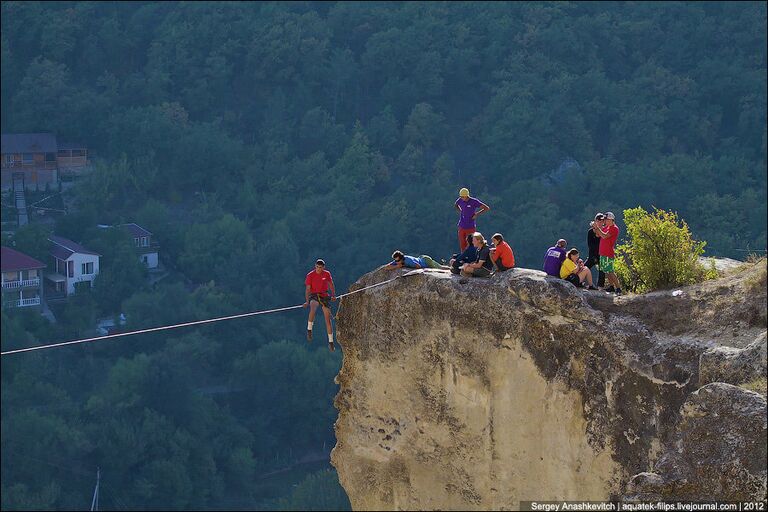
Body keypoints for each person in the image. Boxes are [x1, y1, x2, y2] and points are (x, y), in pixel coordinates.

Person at [304, 259, 337, 351]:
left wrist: (333, 295)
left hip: (324, 295)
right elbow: (307, 289)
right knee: (313, 308)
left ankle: (331, 342)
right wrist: (307, 301)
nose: (319, 269)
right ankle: (309, 329)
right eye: (317, 267)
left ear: (323, 267)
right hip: (314, 295)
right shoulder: (310, 275)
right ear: (315, 266)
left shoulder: (326, 274)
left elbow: (331, 284)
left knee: (328, 319)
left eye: (320, 267)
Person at [595, 211, 623, 295]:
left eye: (606, 219)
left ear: (611, 219)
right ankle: (611, 287)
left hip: (608, 252)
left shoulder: (614, 228)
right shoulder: (606, 227)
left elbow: (604, 236)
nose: (604, 221)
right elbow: (598, 235)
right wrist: (596, 227)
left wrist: (598, 228)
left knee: (610, 271)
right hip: (603, 252)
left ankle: (618, 288)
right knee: (606, 271)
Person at [455, 187, 490, 252]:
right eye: (461, 197)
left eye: (463, 197)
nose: (462, 198)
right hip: (461, 226)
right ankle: (463, 258)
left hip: (470, 226)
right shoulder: (460, 200)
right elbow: (456, 204)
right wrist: (460, 211)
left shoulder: (474, 201)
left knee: (470, 244)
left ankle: (471, 258)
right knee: (462, 244)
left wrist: (476, 214)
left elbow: (486, 208)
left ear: (467, 196)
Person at [586, 213, 606, 288]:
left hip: (602, 254)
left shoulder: (604, 231)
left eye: (602, 221)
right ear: (595, 221)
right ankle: (583, 283)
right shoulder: (590, 232)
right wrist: (593, 256)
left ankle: (600, 286)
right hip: (593, 254)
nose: (601, 223)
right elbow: (590, 245)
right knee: (585, 268)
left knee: (602, 270)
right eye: (599, 221)